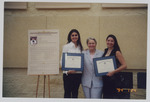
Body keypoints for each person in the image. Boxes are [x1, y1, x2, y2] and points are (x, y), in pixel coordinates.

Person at [60, 29, 83, 98]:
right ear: (70, 37)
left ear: (78, 36)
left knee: (75, 93)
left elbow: (81, 60)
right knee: (67, 94)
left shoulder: (80, 47)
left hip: (77, 74)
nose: (74, 37)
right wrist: (67, 71)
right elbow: (62, 60)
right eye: (72, 35)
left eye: (76, 35)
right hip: (68, 74)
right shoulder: (66, 47)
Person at [102, 34, 127, 99]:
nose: (109, 42)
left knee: (112, 97)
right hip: (105, 79)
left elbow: (124, 65)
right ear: (106, 41)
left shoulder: (117, 52)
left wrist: (113, 72)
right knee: (106, 97)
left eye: (112, 41)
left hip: (114, 80)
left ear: (114, 42)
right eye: (108, 40)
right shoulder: (105, 51)